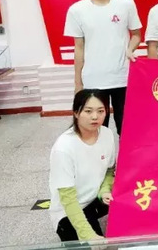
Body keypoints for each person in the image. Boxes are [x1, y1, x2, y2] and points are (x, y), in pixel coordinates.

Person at [64, 0, 142, 135]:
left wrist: (130, 49)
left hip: (122, 76)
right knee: (97, 128)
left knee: (127, 127)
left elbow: (137, 35)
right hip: (93, 79)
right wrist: (78, 83)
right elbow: (79, 48)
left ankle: (125, 155)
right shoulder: (77, 10)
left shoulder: (126, 4)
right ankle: (101, 155)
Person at [49, 89, 116, 242]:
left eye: (101, 111)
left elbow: (109, 169)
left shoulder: (107, 134)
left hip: (95, 199)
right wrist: (88, 235)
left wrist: (104, 190)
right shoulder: (64, 148)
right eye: (88, 111)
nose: (95, 116)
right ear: (76, 113)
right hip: (70, 209)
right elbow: (68, 199)